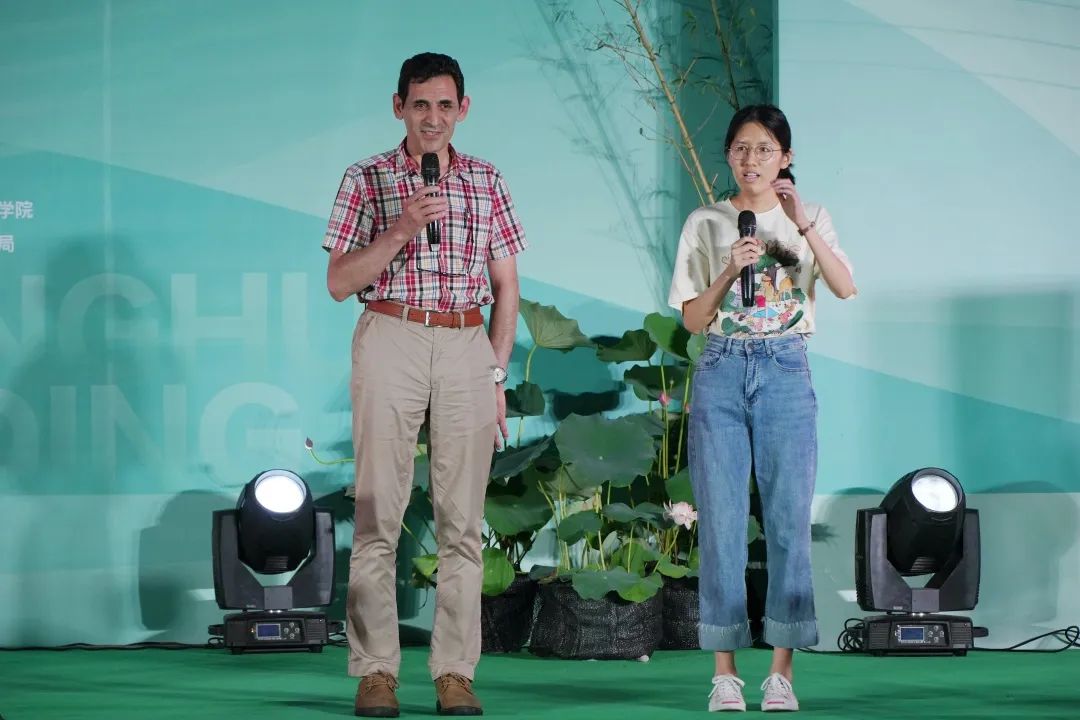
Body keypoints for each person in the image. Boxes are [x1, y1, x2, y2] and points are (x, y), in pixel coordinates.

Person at [322, 52, 526, 717]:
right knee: (378, 514)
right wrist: (403, 227)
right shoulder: (367, 177)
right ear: (398, 107)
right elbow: (339, 281)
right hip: (392, 331)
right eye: (419, 105)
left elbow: (506, 286)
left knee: (461, 522)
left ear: (462, 109)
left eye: (444, 105)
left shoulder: (487, 179)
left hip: (466, 341)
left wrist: (496, 371)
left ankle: (455, 673)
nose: (431, 118)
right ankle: (376, 671)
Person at [668, 104, 856, 712]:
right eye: (742, 148)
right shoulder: (705, 221)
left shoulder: (811, 216)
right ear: (729, 154)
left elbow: (844, 286)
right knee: (721, 524)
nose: (752, 159)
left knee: (787, 523)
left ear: (786, 158)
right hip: (722, 368)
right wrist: (730, 269)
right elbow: (692, 319)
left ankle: (782, 674)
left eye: (765, 149)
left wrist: (802, 226)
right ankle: (724, 673)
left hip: (785, 369)